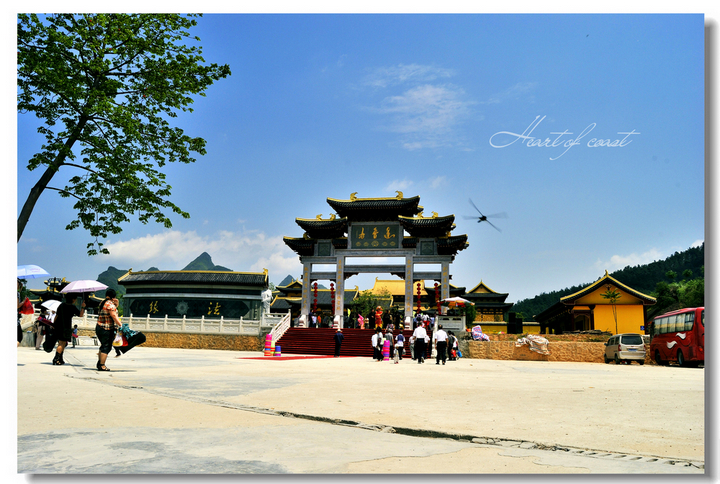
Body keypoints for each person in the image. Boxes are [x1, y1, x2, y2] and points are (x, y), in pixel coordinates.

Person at [52, 293, 85, 365]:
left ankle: (60, 358)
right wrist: (83, 307)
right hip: (66, 327)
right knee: (61, 343)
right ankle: (56, 359)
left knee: (63, 343)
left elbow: (56, 316)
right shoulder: (72, 307)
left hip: (58, 326)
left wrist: (53, 325)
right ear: (73, 299)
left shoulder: (61, 305)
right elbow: (80, 315)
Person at [95, 289, 122, 371]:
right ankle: (102, 365)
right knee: (106, 347)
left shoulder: (102, 303)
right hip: (106, 329)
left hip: (99, 327)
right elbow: (114, 316)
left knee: (103, 345)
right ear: (114, 297)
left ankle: (99, 363)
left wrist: (116, 306)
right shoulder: (110, 304)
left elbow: (108, 313)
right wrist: (120, 325)